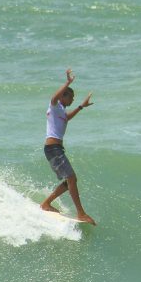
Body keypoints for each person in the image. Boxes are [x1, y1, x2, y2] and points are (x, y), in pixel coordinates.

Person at [40, 69, 96, 225]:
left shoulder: (62, 111)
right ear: (64, 96)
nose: (72, 100)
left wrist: (81, 107)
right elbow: (53, 97)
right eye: (71, 97)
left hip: (56, 150)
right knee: (71, 178)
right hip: (53, 149)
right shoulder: (54, 106)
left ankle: (46, 204)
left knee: (69, 180)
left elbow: (67, 118)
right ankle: (81, 213)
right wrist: (67, 83)